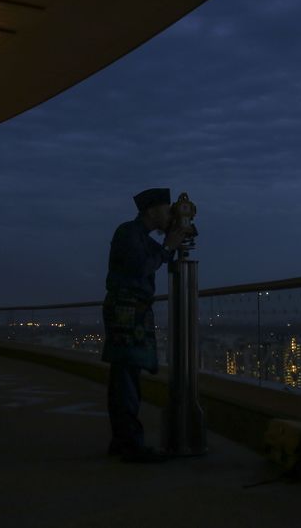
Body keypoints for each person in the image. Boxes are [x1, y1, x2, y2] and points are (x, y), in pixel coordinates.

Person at [102, 188, 186, 463]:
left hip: (133, 312)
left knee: (127, 376)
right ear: (150, 210)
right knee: (125, 377)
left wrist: (174, 235)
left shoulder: (142, 237)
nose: (169, 213)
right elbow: (144, 266)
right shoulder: (128, 233)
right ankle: (128, 443)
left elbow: (164, 258)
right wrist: (167, 246)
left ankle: (125, 440)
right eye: (166, 209)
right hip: (126, 311)